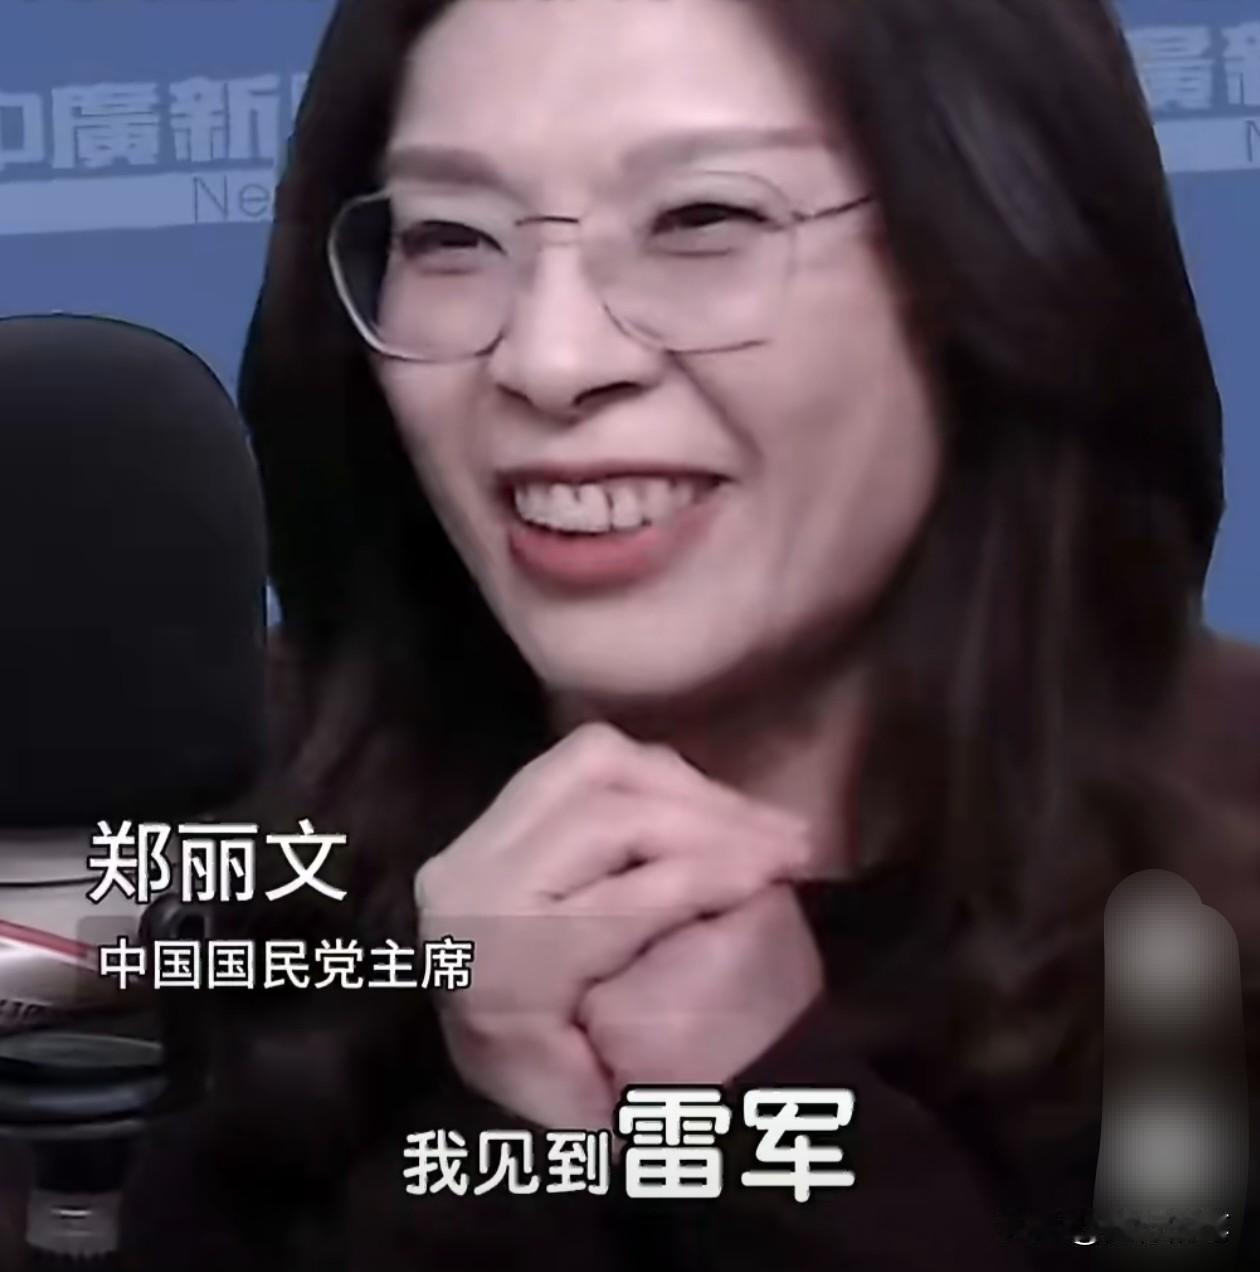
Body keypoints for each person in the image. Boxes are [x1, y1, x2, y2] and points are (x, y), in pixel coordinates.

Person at [119, 0, 1260, 1269]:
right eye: (452, 235)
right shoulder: (238, 887)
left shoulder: (1210, 904)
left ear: (994, 258)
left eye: (702, 220)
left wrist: (770, 1121)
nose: (551, 361)